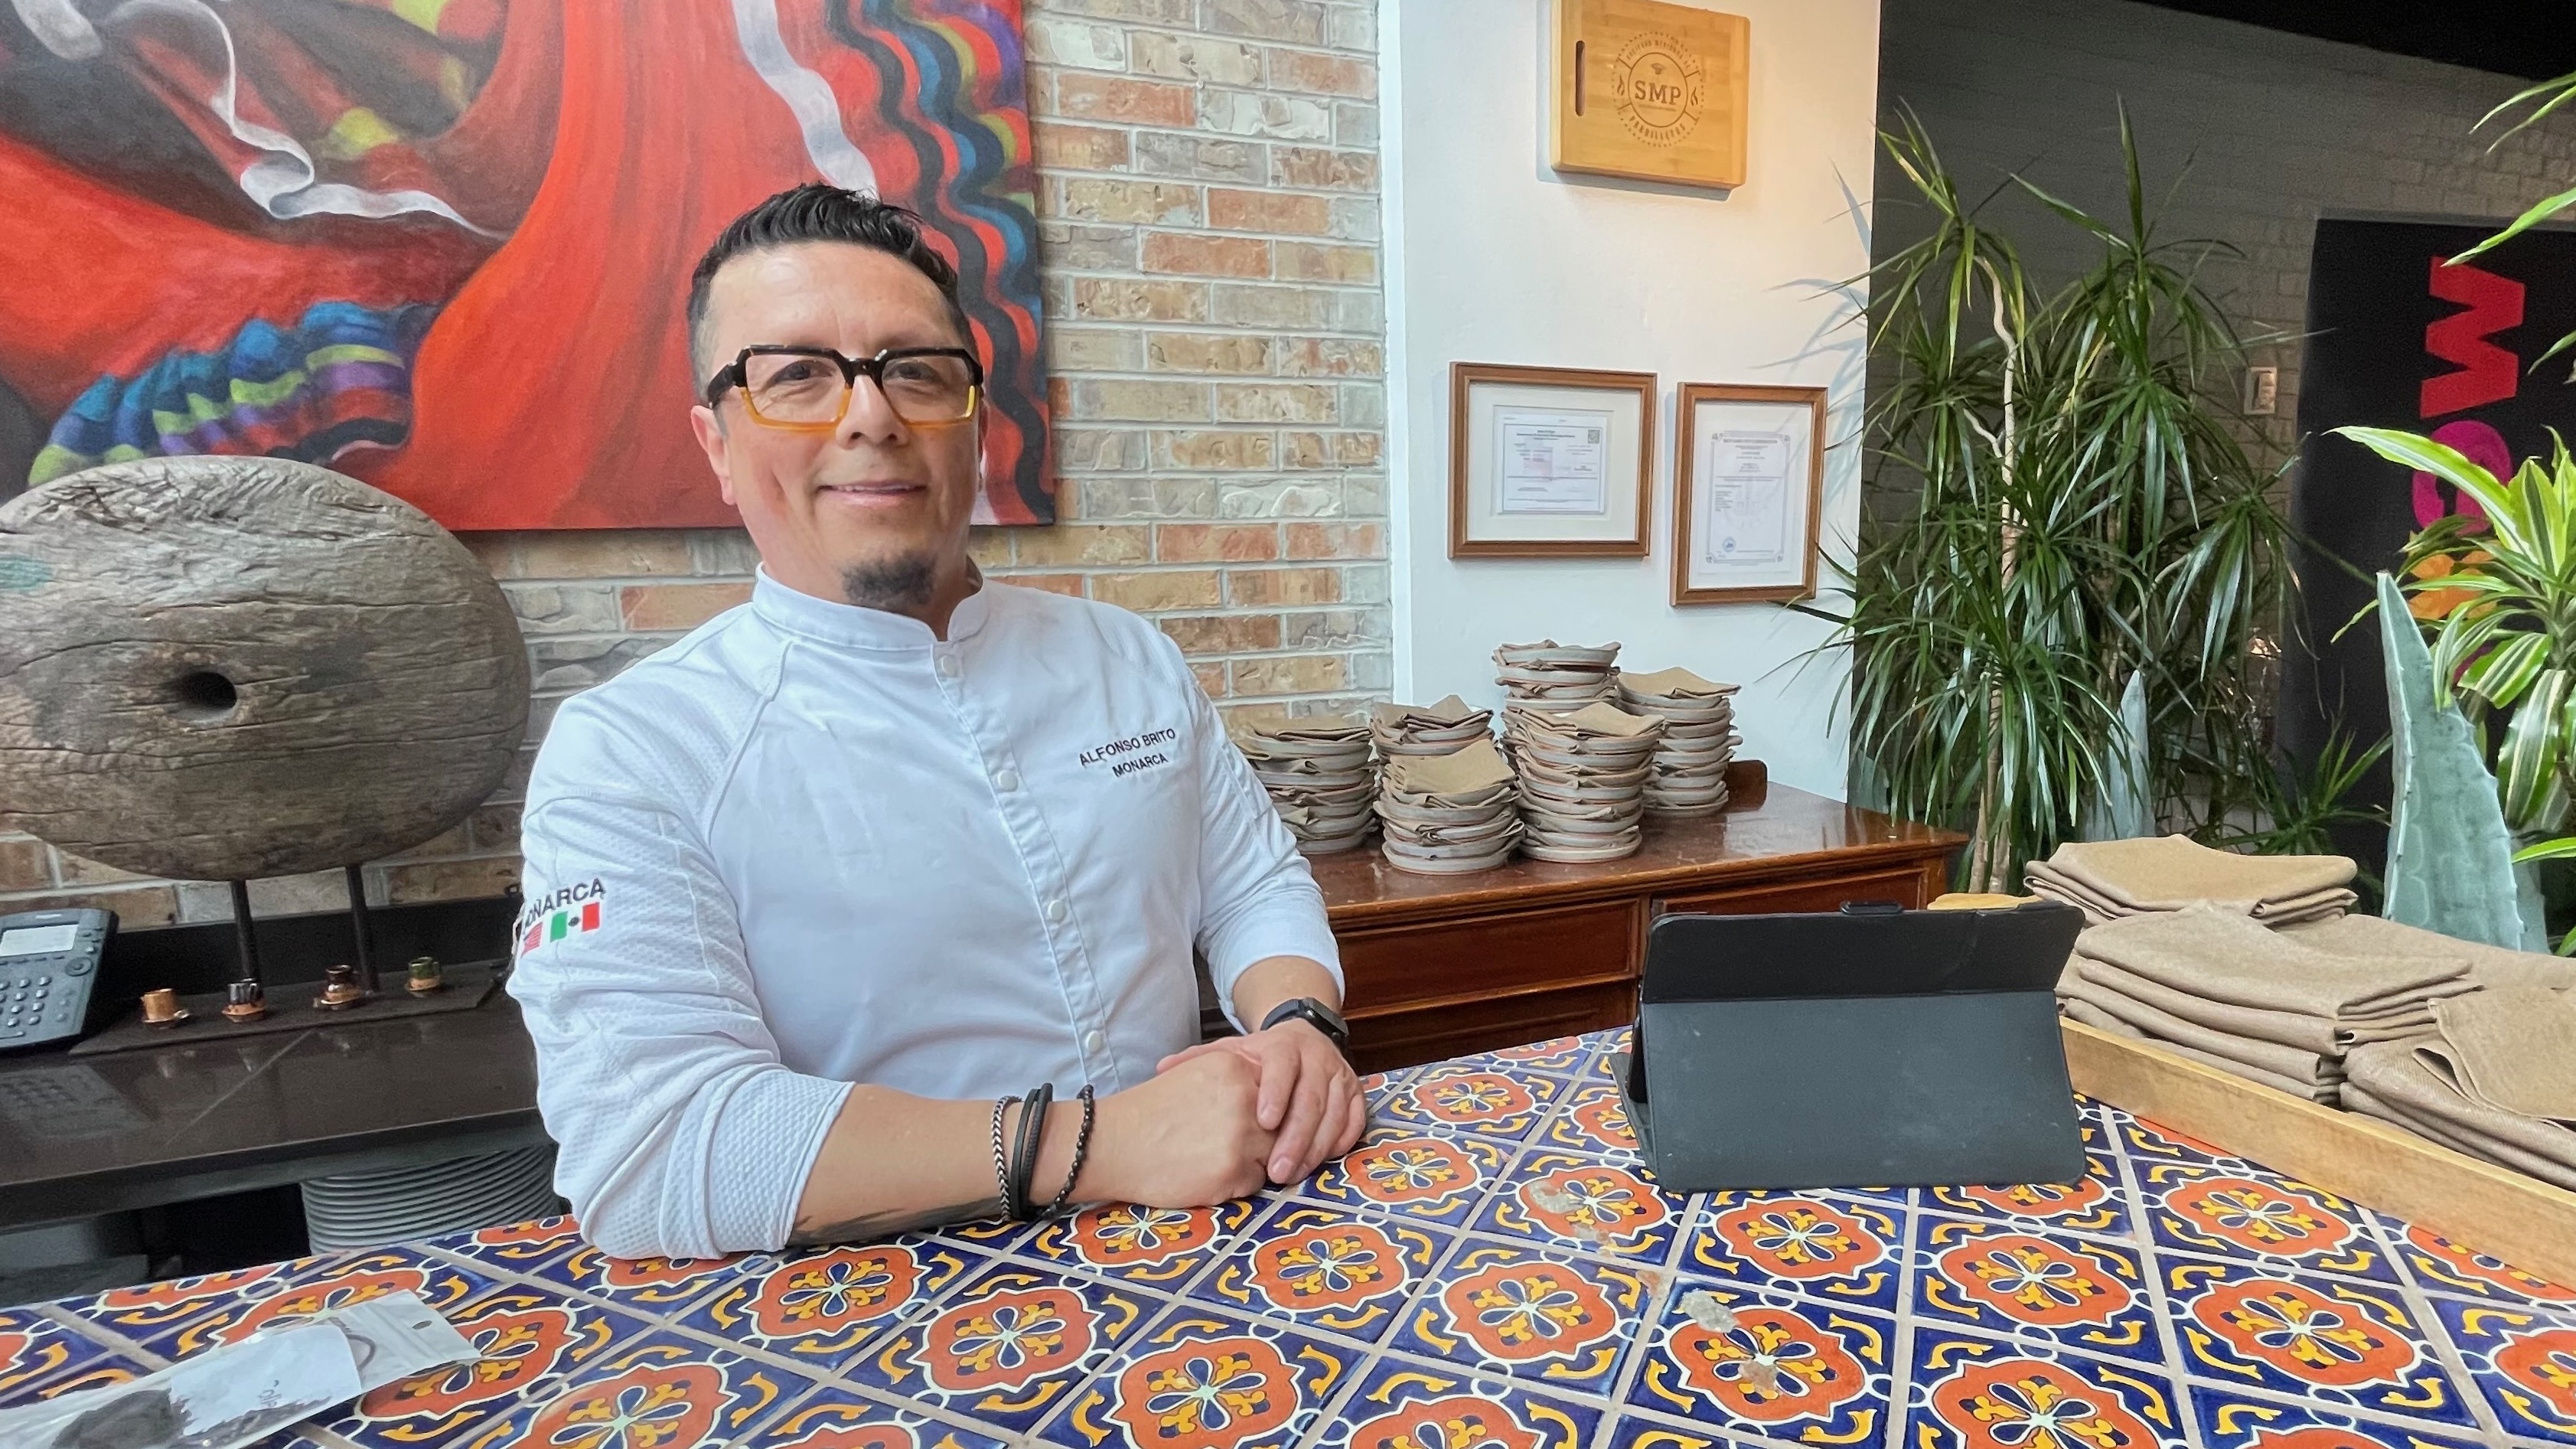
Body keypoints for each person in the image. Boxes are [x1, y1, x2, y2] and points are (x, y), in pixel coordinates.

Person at [507, 183, 1362, 1259]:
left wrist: (1298, 1022)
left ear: (977, 423)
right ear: (715, 442)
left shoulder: (1125, 656)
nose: (871, 415)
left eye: (915, 370)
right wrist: (1105, 1144)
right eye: (797, 376)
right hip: (871, 1303)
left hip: (1201, 1246)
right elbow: (648, 1153)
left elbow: (1250, 884)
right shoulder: (635, 749)